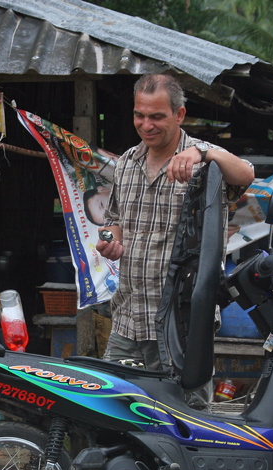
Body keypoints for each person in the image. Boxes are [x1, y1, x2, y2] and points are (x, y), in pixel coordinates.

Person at [95, 73, 254, 409]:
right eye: (140, 115)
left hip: (181, 324)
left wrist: (203, 151)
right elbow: (114, 221)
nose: (146, 124)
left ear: (179, 115)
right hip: (128, 316)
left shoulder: (205, 163)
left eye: (157, 116)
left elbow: (245, 173)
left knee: (186, 418)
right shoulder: (126, 163)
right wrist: (110, 240)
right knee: (113, 411)